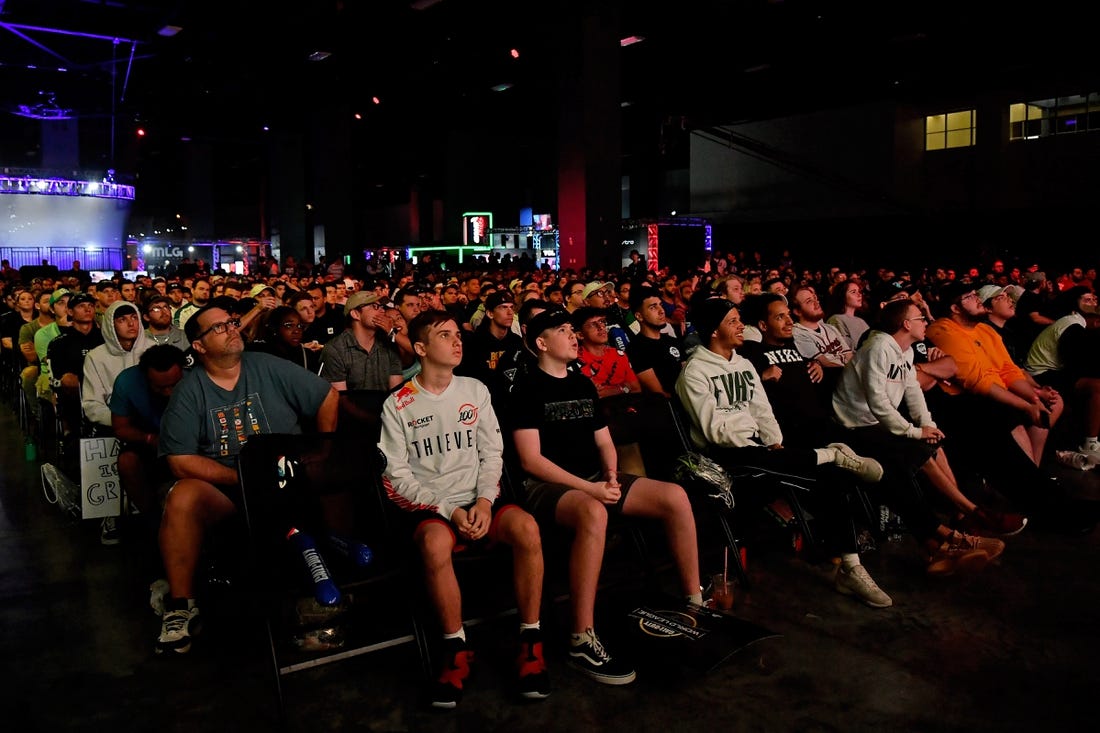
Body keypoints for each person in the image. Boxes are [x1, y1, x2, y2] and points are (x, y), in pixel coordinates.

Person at [511, 308, 702, 686]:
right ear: (541, 343)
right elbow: (531, 461)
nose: (573, 336)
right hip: (549, 489)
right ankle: (581, 636)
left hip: (595, 480)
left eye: (572, 329)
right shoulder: (526, 388)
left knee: (675, 497)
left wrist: (612, 476)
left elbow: (604, 440)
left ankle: (693, 603)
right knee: (594, 513)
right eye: (563, 331)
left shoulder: (581, 383)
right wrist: (591, 489)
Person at [675, 298, 895, 603]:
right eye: (733, 322)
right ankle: (832, 453)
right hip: (726, 457)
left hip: (761, 452)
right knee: (815, 463)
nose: (742, 327)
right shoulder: (694, 372)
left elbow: (762, 409)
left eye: (740, 320)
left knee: (833, 478)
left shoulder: (743, 363)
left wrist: (773, 440)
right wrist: (760, 445)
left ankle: (850, 567)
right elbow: (715, 431)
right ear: (714, 331)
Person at [380, 310, 548, 708]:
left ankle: (530, 641)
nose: (457, 341)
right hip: (433, 507)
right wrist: (448, 510)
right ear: (420, 348)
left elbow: (493, 454)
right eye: (444, 335)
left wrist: (487, 502)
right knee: (435, 544)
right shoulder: (398, 403)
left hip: (481, 500)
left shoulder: (474, 389)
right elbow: (395, 477)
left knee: (528, 530)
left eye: (458, 334)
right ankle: (455, 648)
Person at [155, 303, 339, 654]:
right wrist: (241, 477)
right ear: (199, 345)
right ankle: (181, 607)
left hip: (287, 478)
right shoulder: (190, 390)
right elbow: (179, 461)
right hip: (230, 485)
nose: (232, 329)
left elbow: (327, 395)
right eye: (219, 327)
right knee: (182, 496)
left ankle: (332, 590)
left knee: (335, 484)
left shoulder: (266, 365)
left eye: (232, 323)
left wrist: (323, 450)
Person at [832, 298, 1024, 558]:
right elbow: (878, 402)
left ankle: (954, 526)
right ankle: (970, 515)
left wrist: (927, 425)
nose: (926, 322)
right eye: (921, 318)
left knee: (928, 445)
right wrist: (913, 432)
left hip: (875, 423)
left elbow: (913, 393)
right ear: (906, 323)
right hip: (853, 426)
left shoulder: (906, 351)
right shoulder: (878, 347)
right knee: (916, 450)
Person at [110, 344, 187, 537]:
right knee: (127, 462)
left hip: (189, 442)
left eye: (174, 385)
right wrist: (149, 439)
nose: (169, 392)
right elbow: (120, 427)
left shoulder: (195, 376)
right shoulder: (127, 382)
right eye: (161, 387)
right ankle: (154, 521)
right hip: (149, 442)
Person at [319, 291, 404, 392]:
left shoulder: (389, 343)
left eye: (381, 306)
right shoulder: (335, 349)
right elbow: (341, 398)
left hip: (386, 406)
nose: (382, 311)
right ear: (356, 314)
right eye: (375, 306)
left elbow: (397, 392)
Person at [626, 285, 685, 398]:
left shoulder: (673, 341)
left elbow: (688, 375)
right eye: (653, 307)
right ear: (639, 316)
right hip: (668, 408)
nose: (661, 311)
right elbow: (659, 394)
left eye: (661, 305)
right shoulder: (636, 349)